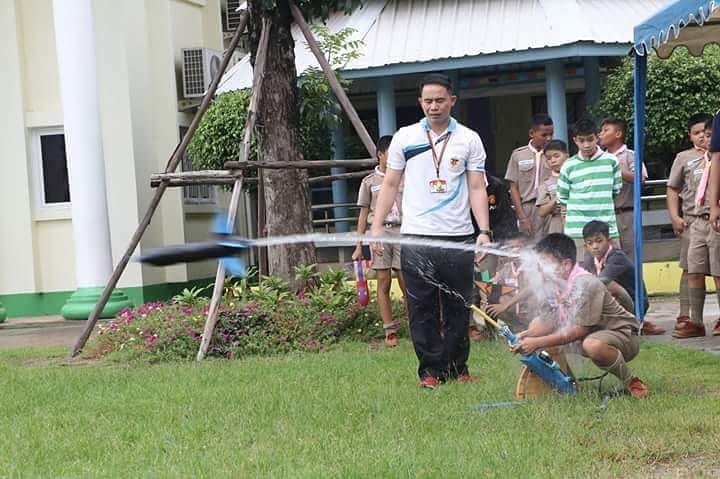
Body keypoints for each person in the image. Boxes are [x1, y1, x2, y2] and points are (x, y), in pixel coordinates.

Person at [370, 73, 491, 389]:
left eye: (440, 100)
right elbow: (391, 184)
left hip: (458, 235)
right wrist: (377, 225)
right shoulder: (405, 138)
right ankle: (430, 372)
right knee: (421, 307)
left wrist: (484, 231)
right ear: (420, 103)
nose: (434, 106)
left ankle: (456, 368)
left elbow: (477, 186)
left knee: (458, 306)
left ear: (452, 100)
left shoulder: (469, 139)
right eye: (428, 101)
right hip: (417, 237)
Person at [511, 233, 648, 398]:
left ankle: (632, 382)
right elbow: (550, 320)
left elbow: (579, 331)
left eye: (545, 263)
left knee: (592, 345)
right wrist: (526, 335)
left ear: (566, 265)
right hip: (589, 334)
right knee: (539, 330)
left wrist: (536, 342)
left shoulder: (585, 284)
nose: (540, 269)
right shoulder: (554, 284)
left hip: (622, 336)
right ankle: (564, 383)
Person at [353, 135, 407, 347]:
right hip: (380, 234)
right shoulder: (369, 182)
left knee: (407, 282)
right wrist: (359, 245)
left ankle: (418, 326)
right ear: (380, 155)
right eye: (390, 153)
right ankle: (389, 330)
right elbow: (363, 215)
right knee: (383, 281)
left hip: (404, 232)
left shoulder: (405, 177)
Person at [666, 113, 713, 337]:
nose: (702, 137)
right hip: (693, 221)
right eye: (697, 133)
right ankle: (691, 318)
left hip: (715, 220)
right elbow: (673, 188)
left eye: (706, 132)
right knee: (691, 268)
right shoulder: (684, 158)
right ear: (690, 136)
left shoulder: (717, 156)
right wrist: (675, 217)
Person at [581, 220, 666, 335]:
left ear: (609, 241)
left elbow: (601, 282)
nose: (595, 247)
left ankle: (632, 322)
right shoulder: (591, 260)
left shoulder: (617, 257)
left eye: (599, 241)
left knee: (603, 285)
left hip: (635, 303)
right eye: (590, 243)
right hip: (616, 303)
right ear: (585, 246)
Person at [557, 118, 622, 262]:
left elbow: (616, 190)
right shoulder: (568, 165)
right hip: (577, 231)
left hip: (607, 228)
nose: (586, 144)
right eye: (581, 140)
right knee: (580, 275)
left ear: (597, 137)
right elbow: (562, 197)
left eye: (590, 139)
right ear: (575, 140)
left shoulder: (612, 161)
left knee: (614, 271)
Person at [599, 118, 648, 262]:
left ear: (618, 133)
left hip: (625, 214)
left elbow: (641, 180)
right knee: (606, 258)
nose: (601, 134)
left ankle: (635, 285)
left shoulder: (631, 156)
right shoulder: (599, 158)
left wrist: (621, 171)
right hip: (604, 215)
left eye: (606, 130)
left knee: (630, 258)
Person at [505, 114, 554, 239]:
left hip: (551, 207)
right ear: (532, 133)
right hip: (527, 208)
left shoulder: (555, 155)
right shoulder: (518, 155)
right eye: (544, 135)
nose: (548, 139)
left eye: (551, 134)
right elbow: (513, 187)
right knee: (530, 248)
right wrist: (522, 217)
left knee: (552, 246)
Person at [535, 140, 568, 235]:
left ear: (567, 156)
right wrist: (558, 198)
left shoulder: (576, 177)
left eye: (556, 156)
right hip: (557, 224)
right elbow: (542, 212)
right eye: (549, 158)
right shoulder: (546, 184)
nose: (553, 160)